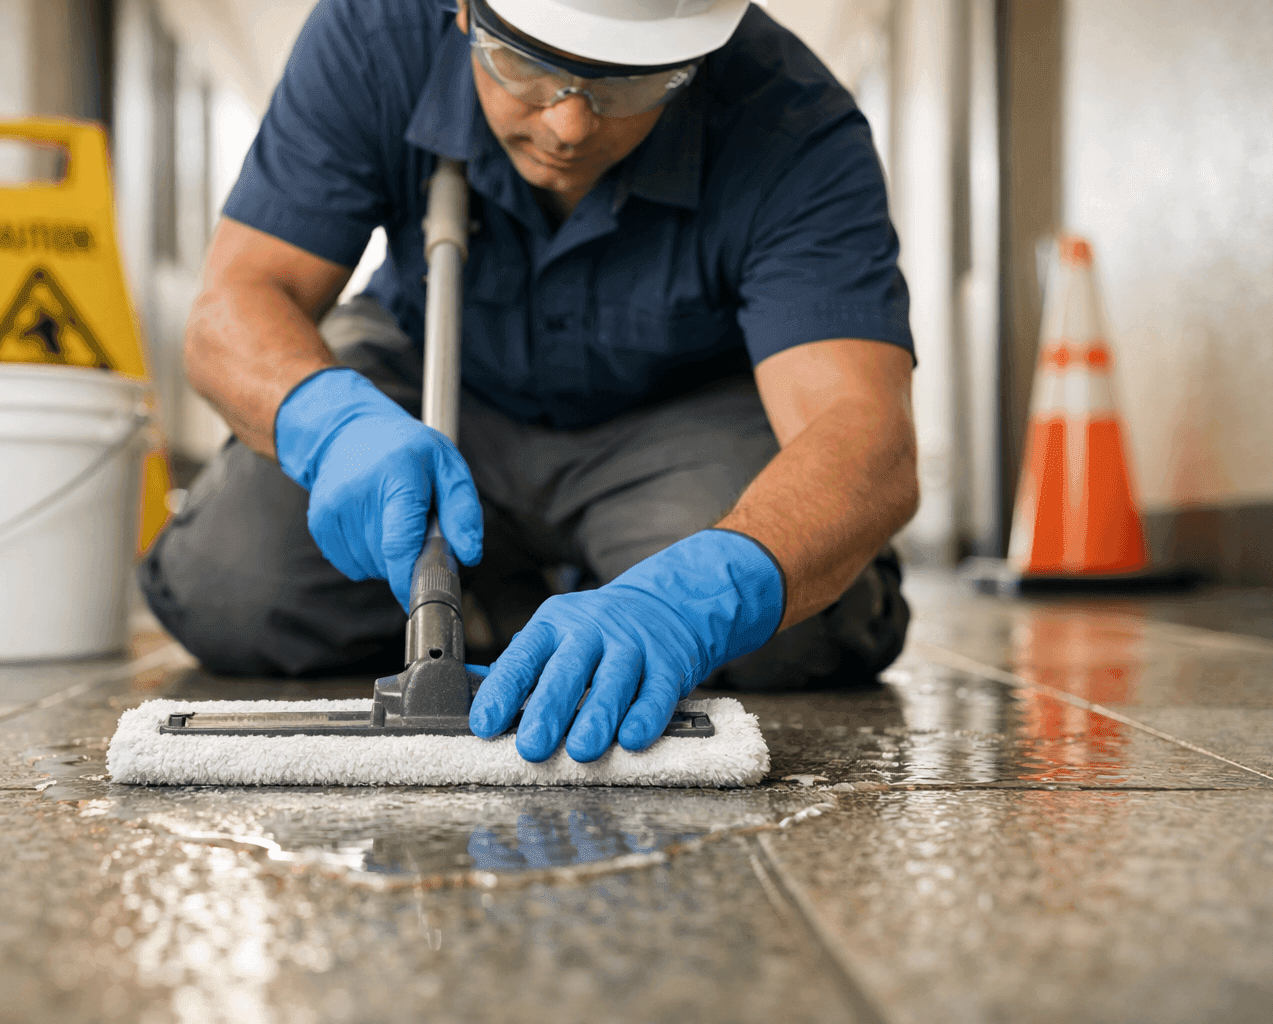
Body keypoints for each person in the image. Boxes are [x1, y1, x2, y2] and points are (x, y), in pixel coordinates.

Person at [139, 0, 919, 764]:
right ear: (461, 13)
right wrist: (328, 422)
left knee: (795, 635)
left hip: (672, 422)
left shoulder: (794, 123)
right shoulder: (374, 34)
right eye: (526, 66)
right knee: (234, 588)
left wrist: (695, 597)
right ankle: (509, 592)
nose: (568, 127)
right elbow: (233, 305)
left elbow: (865, 433)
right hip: (419, 392)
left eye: (626, 84)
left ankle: (549, 595)